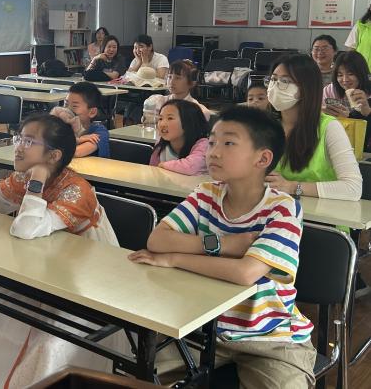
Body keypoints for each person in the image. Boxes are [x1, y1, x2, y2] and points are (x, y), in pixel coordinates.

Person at [129, 106, 316, 388]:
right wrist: (223, 244)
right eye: (212, 142)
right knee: (137, 373)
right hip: (201, 326)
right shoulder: (207, 194)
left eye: (228, 143)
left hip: (269, 337)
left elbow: (245, 272)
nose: (213, 152)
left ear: (263, 158)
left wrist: (174, 259)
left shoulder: (282, 208)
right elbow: (158, 240)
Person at [0, 113, 125, 387]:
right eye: (19, 138)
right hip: (41, 265)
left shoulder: (76, 191)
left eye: (29, 141)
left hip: (85, 281)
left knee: (49, 341)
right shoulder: (23, 177)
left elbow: (26, 228)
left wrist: (37, 181)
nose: (19, 147)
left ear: (53, 156)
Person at [264, 54, 361, 200]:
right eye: (273, 79)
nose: (275, 87)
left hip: (320, 213)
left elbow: (353, 188)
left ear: (306, 88)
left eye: (285, 81)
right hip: (272, 208)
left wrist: (292, 187)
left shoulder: (329, 127)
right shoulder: (264, 125)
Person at [322, 49, 371, 151]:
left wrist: (366, 111)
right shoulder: (330, 91)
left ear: (361, 73)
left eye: (350, 74)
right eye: (340, 75)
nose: (345, 80)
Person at [149, 99, 210, 175]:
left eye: (170, 118)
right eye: (160, 118)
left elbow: (192, 167)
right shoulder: (160, 146)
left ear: (188, 122)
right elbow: (153, 172)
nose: (162, 124)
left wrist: (163, 165)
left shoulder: (204, 144)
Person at [142, 59, 211, 120]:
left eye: (178, 78)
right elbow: (146, 122)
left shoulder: (199, 111)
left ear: (192, 83)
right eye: (169, 77)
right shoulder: (158, 101)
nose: (171, 82)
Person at [64, 81, 110, 157]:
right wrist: (79, 140)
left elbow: (76, 152)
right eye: (66, 104)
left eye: (74, 106)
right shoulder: (62, 128)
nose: (67, 110)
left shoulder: (99, 132)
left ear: (92, 112)